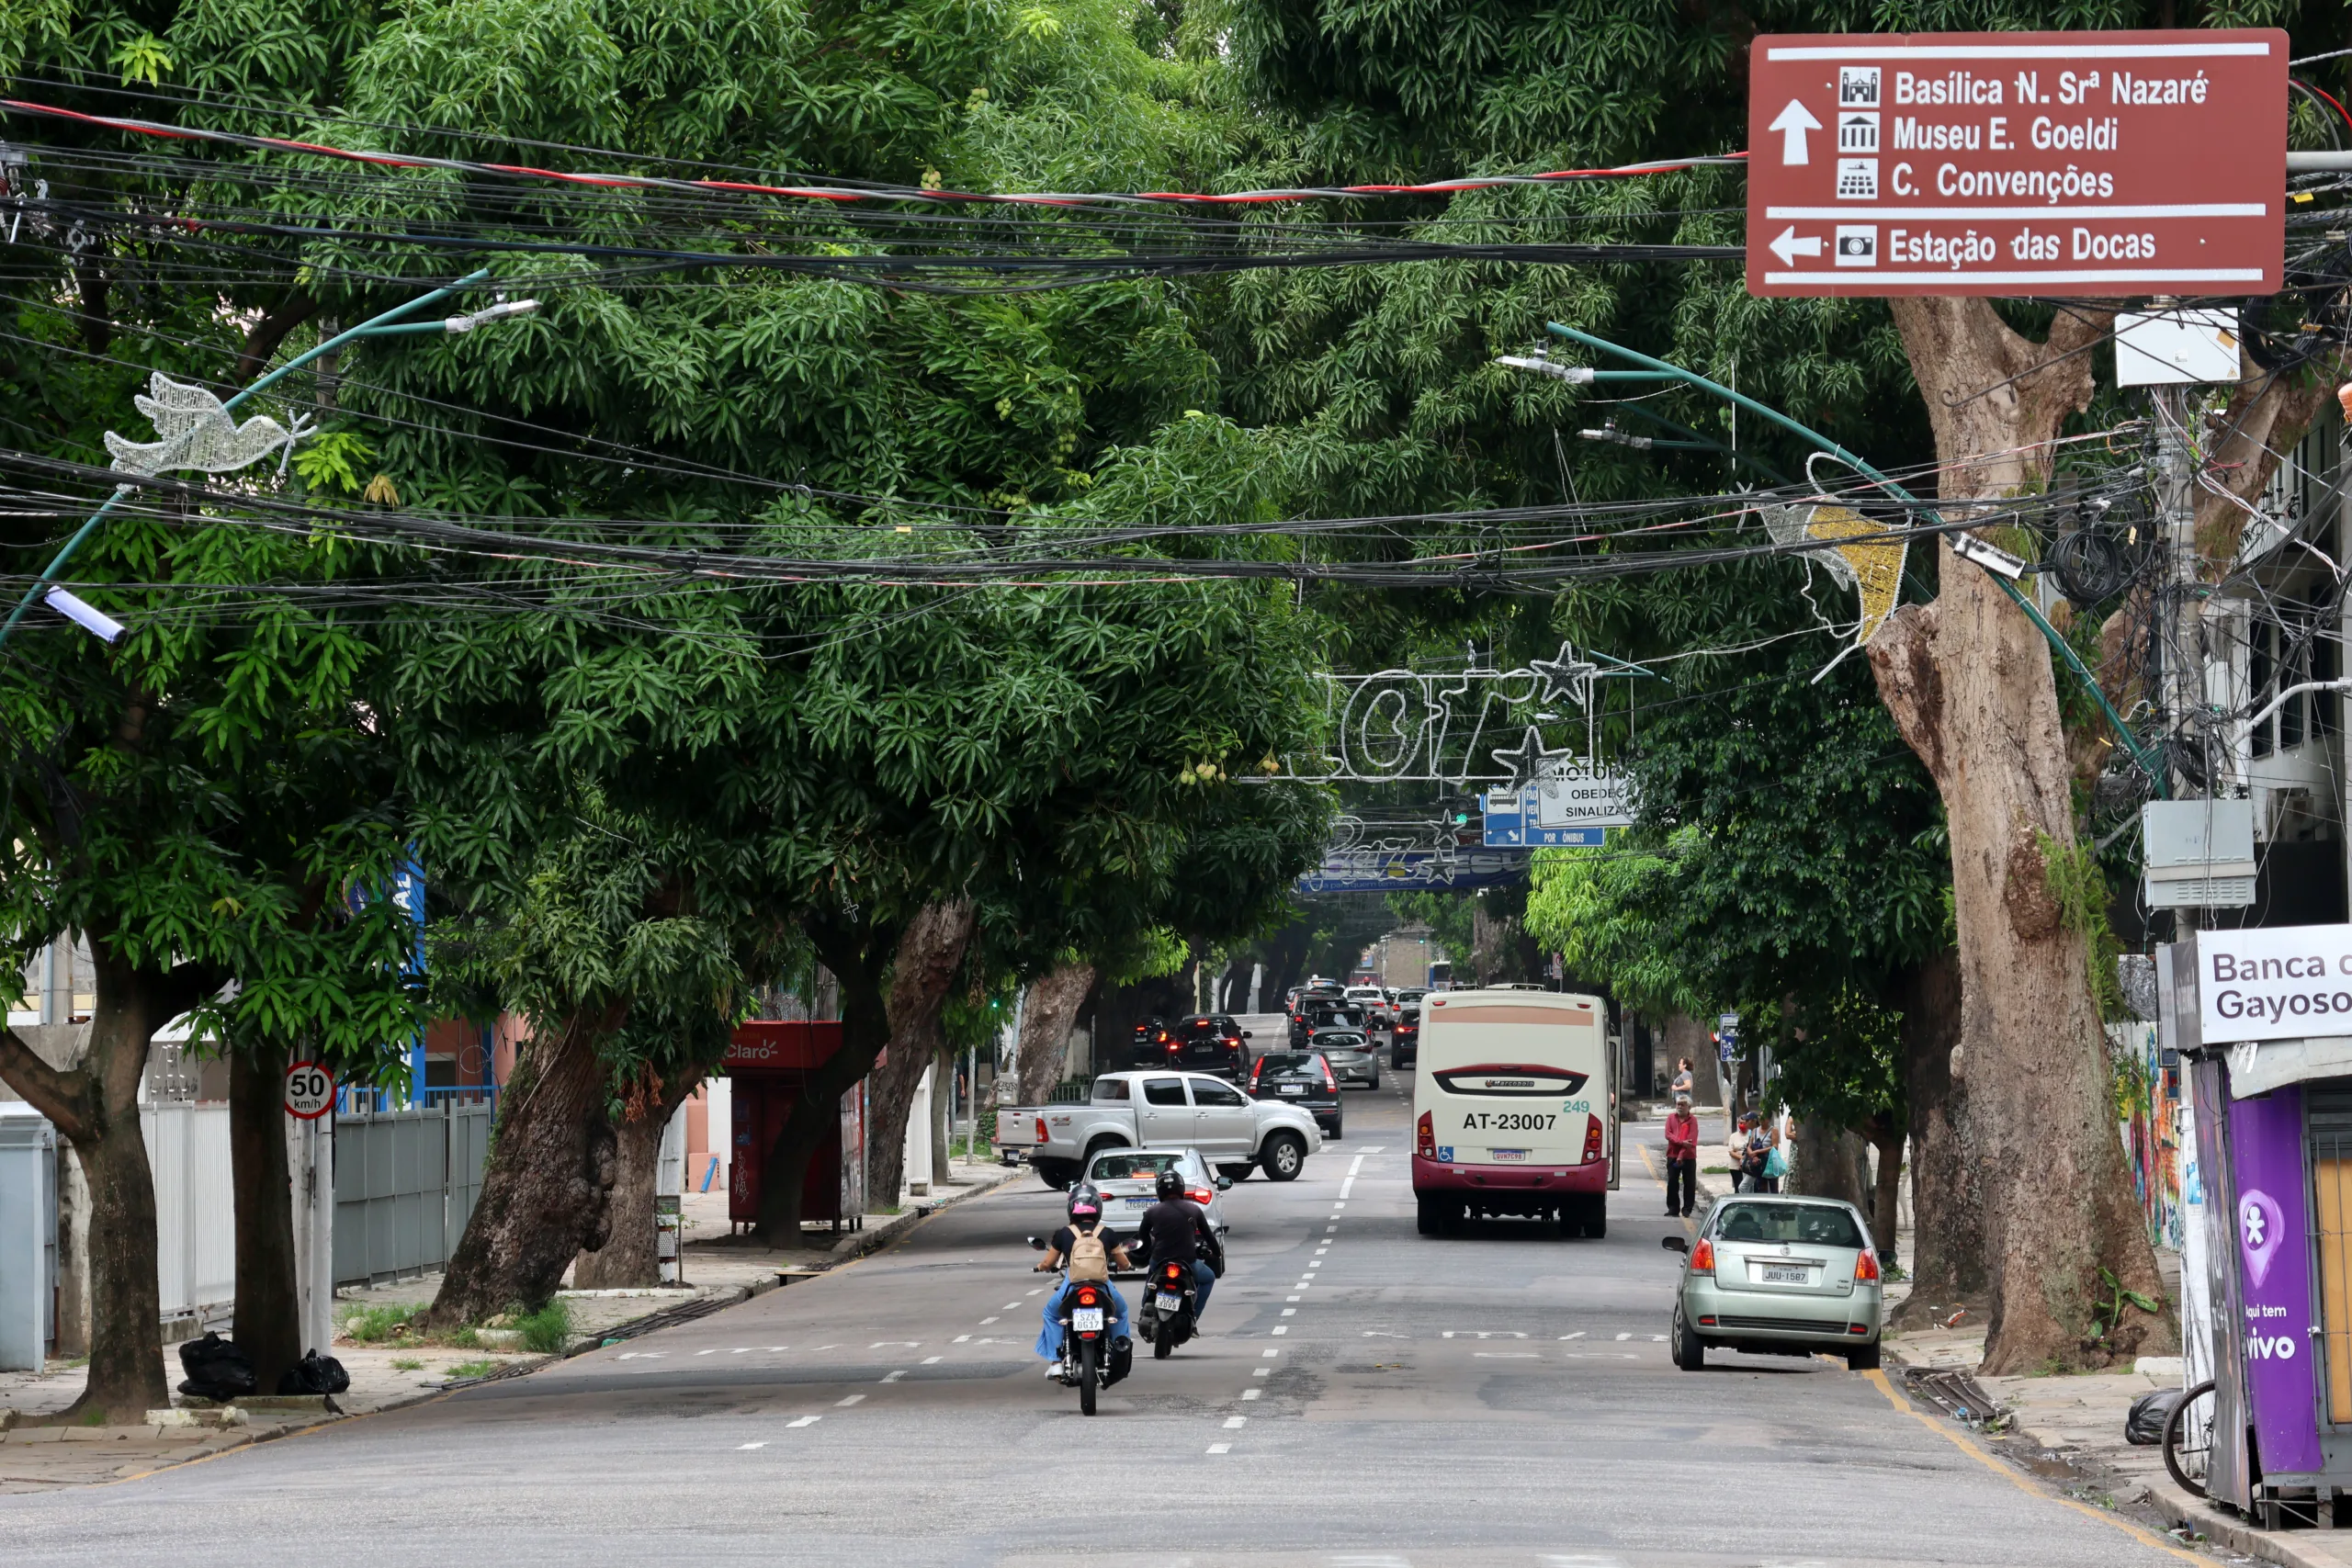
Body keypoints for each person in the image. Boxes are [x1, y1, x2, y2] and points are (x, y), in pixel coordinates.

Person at [1033, 1183, 1133, 1376]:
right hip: (1102, 1285)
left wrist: (1040, 1268)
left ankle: (1056, 1362)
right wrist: (1127, 1266)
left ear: (1071, 1207)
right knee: (1120, 1312)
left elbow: (1048, 1262)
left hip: (1072, 1285)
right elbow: (1122, 1262)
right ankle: (1120, 1353)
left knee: (1052, 1314)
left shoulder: (1063, 1233)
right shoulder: (1107, 1233)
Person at [1133, 1167, 1225, 1325]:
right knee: (1208, 1278)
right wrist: (1216, 1253)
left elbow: (1143, 1239)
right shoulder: (1194, 1209)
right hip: (1188, 1261)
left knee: (1150, 1278)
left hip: (1159, 1260)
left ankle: (1145, 1309)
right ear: (1181, 1188)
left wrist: (1147, 1249)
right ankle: (1193, 1317)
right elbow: (1209, 1237)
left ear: (1159, 1190)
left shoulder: (1151, 1212)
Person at [1662, 1092, 1699, 1217]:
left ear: (1689, 1107)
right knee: (1672, 1181)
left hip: (1688, 1156)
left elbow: (1691, 1141)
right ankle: (1673, 1208)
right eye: (1678, 1104)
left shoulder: (1692, 1120)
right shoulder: (1671, 1118)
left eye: (1683, 1105)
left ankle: (1687, 1209)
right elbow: (1668, 1135)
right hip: (1672, 1154)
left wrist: (1681, 1155)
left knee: (1689, 1183)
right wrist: (1681, 1142)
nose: (1680, 1107)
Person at [1726, 1111, 1755, 1193]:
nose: (1742, 1125)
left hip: (1747, 1166)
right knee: (1738, 1188)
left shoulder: (1751, 1135)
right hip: (1735, 1167)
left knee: (1747, 1188)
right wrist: (1741, 1157)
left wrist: (1745, 1158)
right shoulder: (1733, 1136)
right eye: (1740, 1123)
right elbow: (1731, 1151)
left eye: (1744, 1123)